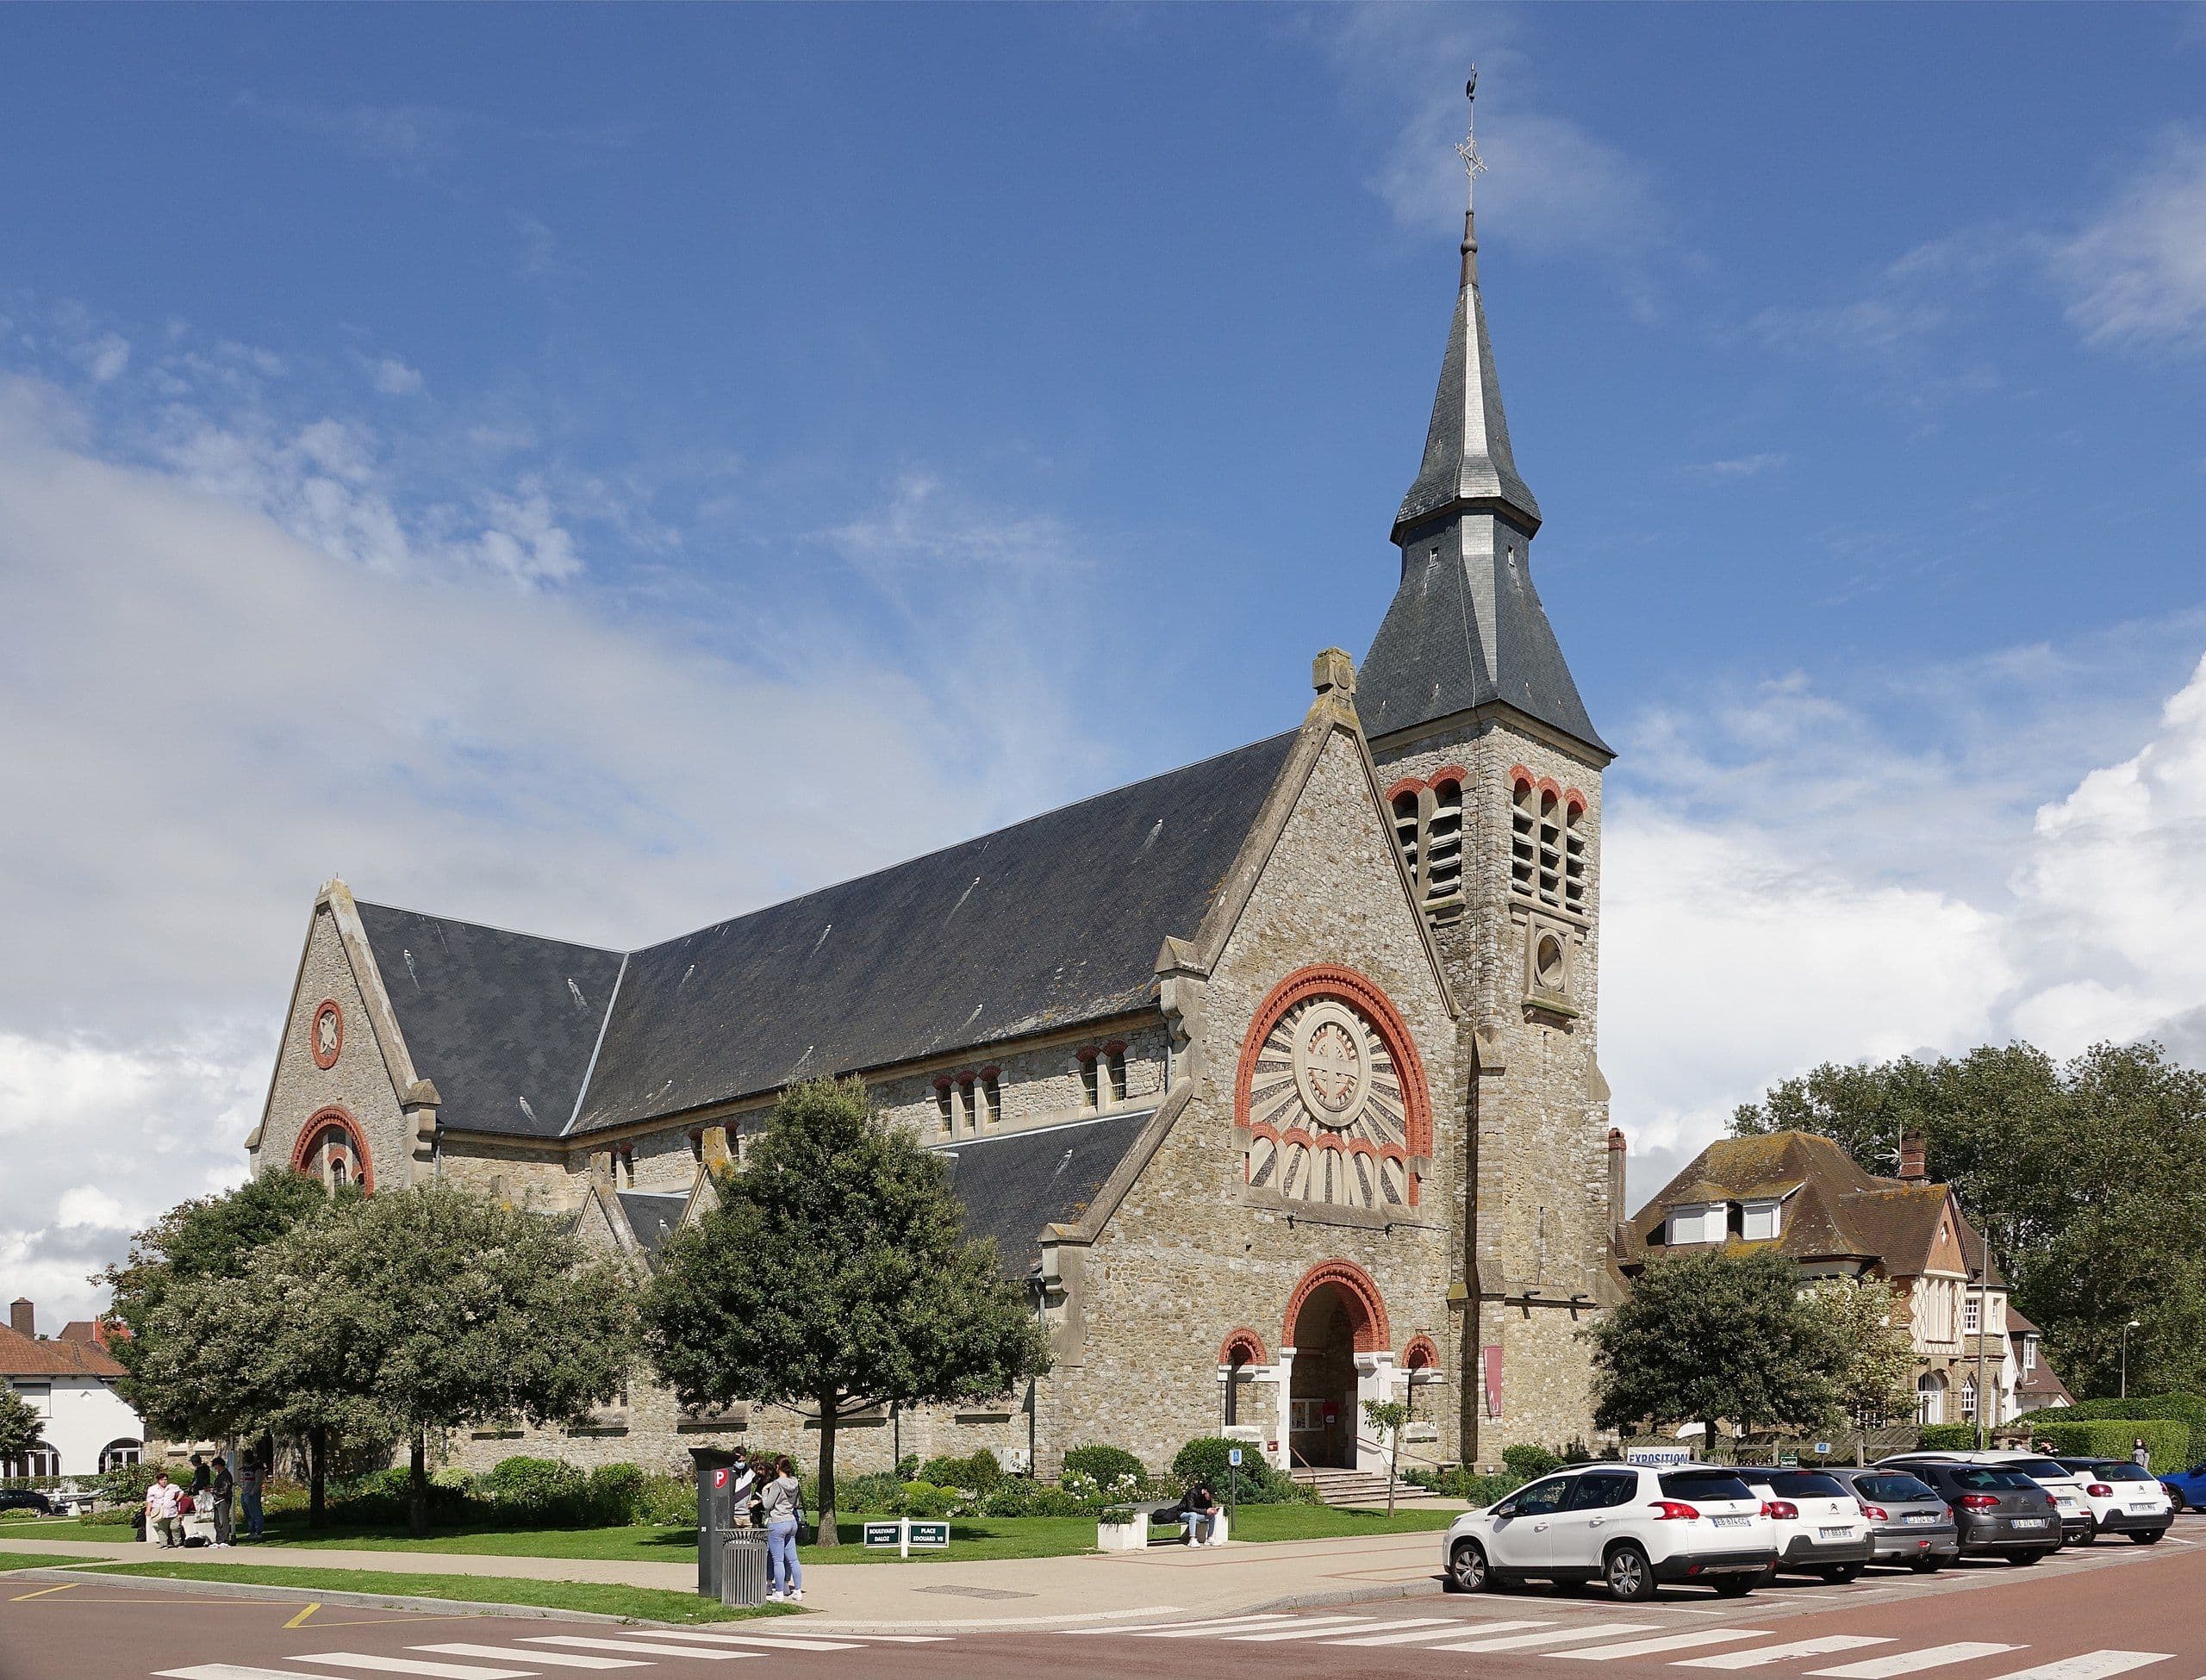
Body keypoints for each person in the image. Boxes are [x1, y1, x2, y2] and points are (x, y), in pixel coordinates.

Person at [758, 1455, 803, 1603]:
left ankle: (778, 1592)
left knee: (777, 1560)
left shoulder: (777, 1484)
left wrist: (765, 1491)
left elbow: (767, 1504)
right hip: (791, 1521)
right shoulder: (795, 1482)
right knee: (793, 1559)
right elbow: (795, 1502)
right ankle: (797, 1590)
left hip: (778, 1523)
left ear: (777, 1467)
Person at [144, 1470, 184, 1549]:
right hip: (160, 1512)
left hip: (172, 1511)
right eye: (162, 1480)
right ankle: (164, 1544)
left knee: (175, 1527)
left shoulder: (172, 1487)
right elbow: (150, 1500)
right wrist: (148, 1510)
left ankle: (177, 1543)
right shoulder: (153, 1489)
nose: (164, 1481)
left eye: (165, 1479)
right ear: (158, 1481)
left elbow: (181, 1492)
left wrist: (176, 1500)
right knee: (162, 1528)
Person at [1179, 1480, 1224, 1546]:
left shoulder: (1207, 1498)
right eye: (1210, 1496)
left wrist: (1212, 1511)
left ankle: (1210, 1538)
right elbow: (1190, 1508)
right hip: (1183, 1514)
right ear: (1205, 1491)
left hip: (1196, 1515)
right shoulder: (1192, 1493)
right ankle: (1192, 1539)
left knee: (1211, 1516)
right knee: (1193, 1514)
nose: (1211, 1498)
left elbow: (1208, 1509)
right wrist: (1205, 1511)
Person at [209, 1455, 235, 1547]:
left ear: (219, 1465)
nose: (215, 1468)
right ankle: (219, 1539)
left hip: (223, 1499)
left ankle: (225, 1539)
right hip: (217, 1500)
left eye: (216, 1466)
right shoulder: (220, 1475)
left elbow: (225, 1489)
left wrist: (213, 1490)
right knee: (217, 1521)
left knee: (223, 1520)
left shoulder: (226, 1475)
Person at [238, 1453, 265, 1541]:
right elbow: (242, 1480)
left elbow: (258, 1482)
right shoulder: (245, 1468)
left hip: (252, 1494)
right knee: (248, 1514)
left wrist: (253, 1492)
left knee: (255, 1513)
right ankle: (252, 1531)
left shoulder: (257, 1468)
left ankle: (258, 1532)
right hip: (245, 1493)